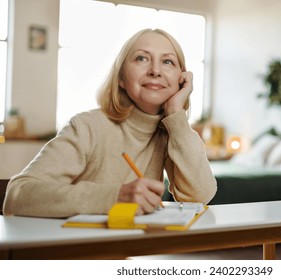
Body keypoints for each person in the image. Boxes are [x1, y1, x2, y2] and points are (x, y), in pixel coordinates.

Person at [3, 28, 217, 217]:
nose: (155, 70)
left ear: (181, 79)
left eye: (168, 61)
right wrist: (114, 197)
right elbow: (17, 196)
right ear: (121, 78)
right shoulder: (86, 126)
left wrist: (176, 114)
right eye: (142, 58)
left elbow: (199, 197)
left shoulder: (172, 132)